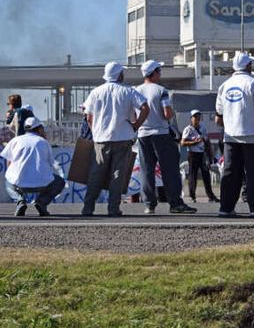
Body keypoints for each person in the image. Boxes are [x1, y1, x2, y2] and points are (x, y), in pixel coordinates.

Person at [81, 61, 150, 217]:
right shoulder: (128, 91)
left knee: (95, 174)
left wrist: (95, 131)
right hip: (123, 138)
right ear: (119, 75)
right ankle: (113, 208)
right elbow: (145, 108)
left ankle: (88, 208)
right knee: (117, 175)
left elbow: (88, 116)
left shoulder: (96, 92)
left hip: (101, 139)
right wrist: (136, 125)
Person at [135, 60, 196, 214]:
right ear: (154, 72)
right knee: (169, 169)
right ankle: (175, 203)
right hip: (161, 133)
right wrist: (172, 114)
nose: (160, 73)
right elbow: (167, 113)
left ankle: (149, 204)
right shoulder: (161, 90)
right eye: (159, 70)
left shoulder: (135, 90)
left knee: (147, 170)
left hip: (142, 134)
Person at [215, 51, 254, 217]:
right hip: (253, 135)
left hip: (231, 136)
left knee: (230, 172)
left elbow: (219, 112)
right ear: (248, 66)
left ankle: (225, 207)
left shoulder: (224, 85)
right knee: (253, 173)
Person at [1, 117, 65, 216]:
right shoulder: (43, 142)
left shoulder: (16, 140)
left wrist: (13, 175)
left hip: (19, 183)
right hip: (42, 183)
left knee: (7, 180)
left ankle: (20, 201)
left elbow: (9, 162)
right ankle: (41, 202)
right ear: (39, 129)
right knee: (60, 182)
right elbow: (50, 163)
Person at [181, 109, 220, 203]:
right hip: (193, 154)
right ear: (191, 118)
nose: (197, 119)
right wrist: (194, 142)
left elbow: (207, 141)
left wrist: (211, 155)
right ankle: (192, 196)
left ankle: (211, 196)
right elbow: (182, 143)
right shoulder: (188, 129)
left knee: (206, 175)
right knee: (193, 175)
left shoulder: (203, 127)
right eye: (195, 117)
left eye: (198, 117)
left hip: (202, 154)